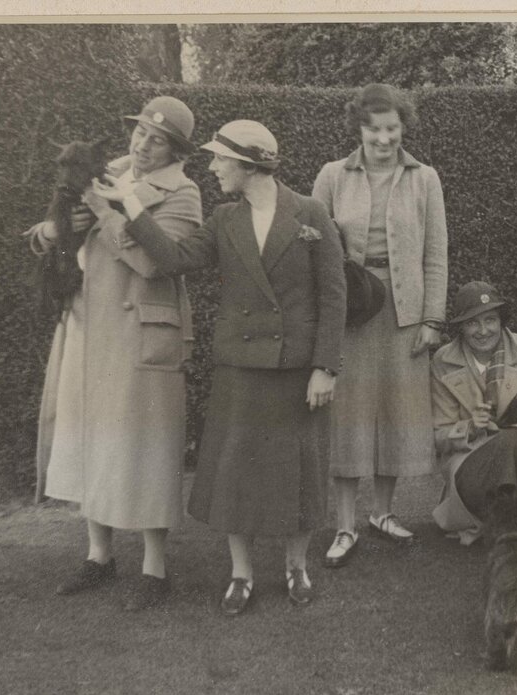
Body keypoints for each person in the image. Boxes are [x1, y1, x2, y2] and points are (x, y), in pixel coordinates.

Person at [90, 120, 346, 615]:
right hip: (241, 366)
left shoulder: (311, 213)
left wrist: (326, 367)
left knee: (301, 472)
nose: (212, 168)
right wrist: (130, 203)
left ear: (249, 164)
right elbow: (172, 258)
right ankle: (241, 574)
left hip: (297, 368)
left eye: (221, 159)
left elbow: (334, 297)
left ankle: (297, 567)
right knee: (236, 472)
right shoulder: (225, 219)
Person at [28, 96, 202, 611]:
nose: (142, 145)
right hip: (88, 324)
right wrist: (52, 231)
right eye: (139, 133)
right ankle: (98, 555)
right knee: (90, 437)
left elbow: (157, 264)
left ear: (176, 152)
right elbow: (55, 228)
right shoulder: (110, 171)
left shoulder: (184, 193)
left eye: (157, 141)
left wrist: (106, 213)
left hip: (139, 328)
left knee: (146, 447)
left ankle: (155, 568)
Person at [312, 83, 448, 567]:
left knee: (395, 411)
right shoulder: (332, 175)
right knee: (348, 416)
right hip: (351, 308)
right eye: (374, 129)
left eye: (392, 128)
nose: (384, 138)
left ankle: (383, 513)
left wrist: (432, 318)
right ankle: (345, 525)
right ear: (359, 128)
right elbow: (315, 247)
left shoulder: (425, 178)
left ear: (404, 127)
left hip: (404, 312)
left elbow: (436, 254)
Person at [430, 282, 517, 552]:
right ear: (461, 327)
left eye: (490, 320)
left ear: (501, 320)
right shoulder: (443, 361)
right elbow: (438, 437)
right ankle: (514, 530)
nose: (483, 331)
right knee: (508, 440)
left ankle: (505, 531)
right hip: (470, 468)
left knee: (515, 437)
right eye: (472, 322)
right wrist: (470, 427)